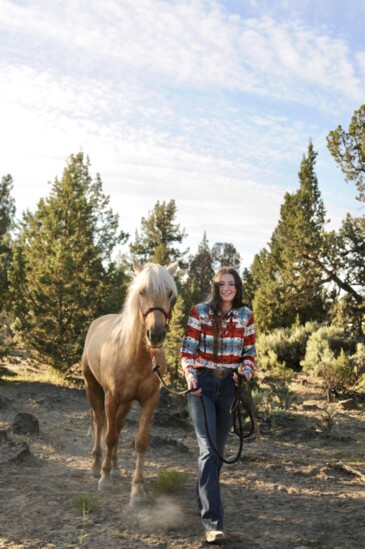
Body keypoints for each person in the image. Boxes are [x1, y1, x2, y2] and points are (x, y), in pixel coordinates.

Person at [181, 266, 256, 544]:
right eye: (222, 283)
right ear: (216, 286)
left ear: (237, 288)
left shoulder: (245, 315)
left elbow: (249, 353)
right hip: (201, 386)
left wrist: (244, 373)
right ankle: (213, 524)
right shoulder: (199, 312)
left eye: (231, 284)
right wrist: (190, 376)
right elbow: (187, 351)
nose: (226, 288)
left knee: (218, 452)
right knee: (209, 449)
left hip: (229, 387)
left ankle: (201, 497)